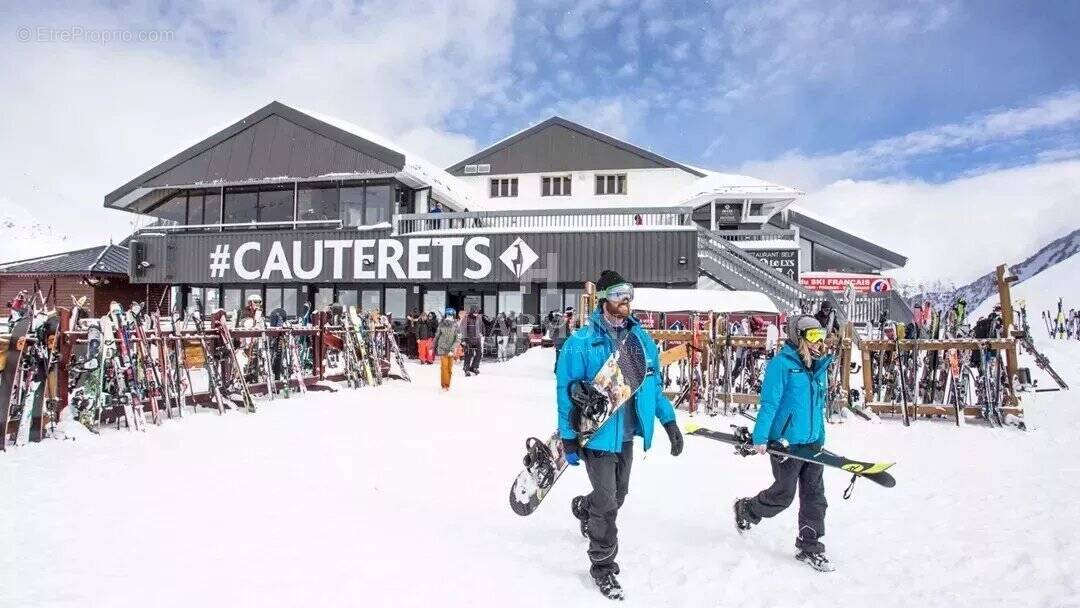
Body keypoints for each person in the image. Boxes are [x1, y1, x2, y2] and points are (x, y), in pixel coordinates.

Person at [557, 269, 683, 600]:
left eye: (629, 294)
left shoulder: (640, 340)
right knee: (609, 504)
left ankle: (586, 508)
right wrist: (569, 437)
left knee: (617, 495)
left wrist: (669, 422)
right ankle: (603, 566)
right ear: (602, 300)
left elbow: (652, 385)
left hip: (626, 434)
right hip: (596, 436)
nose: (625, 301)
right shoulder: (581, 342)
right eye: (617, 295)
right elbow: (563, 391)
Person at [733, 315, 835, 572]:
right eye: (812, 336)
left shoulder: (818, 367)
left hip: (812, 445)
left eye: (820, 335)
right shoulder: (781, 365)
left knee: (815, 497)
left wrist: (821, 437)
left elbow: (817, 407)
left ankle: (810, 546)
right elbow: (769, 403)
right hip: (786, 444)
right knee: (783, 495)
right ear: (797, 337)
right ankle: (747, 509)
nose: (818, 342)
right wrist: (761, 438)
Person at [434, 308, 460, 390]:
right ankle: (445, 385)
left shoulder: (456, 325)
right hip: (442, 348)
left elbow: (458, 339)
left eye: (451, 315)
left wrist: (452, 349)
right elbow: (437, 336)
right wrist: (433, 347)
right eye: (448, 314)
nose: (450, 316)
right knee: (444, 367)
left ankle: (446, 384)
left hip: (451, 350)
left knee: (449, 368)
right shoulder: (441, 324)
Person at [462, 307, 484, 376]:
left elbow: (482, 326)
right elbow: (463, 330)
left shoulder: (479, 318)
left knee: (479, 354)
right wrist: (463, 340)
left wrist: (483, 332)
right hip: (469, 340)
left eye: (477, 312)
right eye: (475, 312)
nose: (476, 313)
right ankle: (467, 369)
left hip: (477, 339)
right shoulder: (466, 318)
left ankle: (474, 367)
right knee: (469, 354)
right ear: (471, 312)